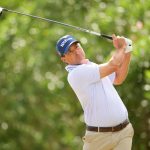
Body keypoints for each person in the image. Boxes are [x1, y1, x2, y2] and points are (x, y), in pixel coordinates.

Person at [56, 34, 134, 150]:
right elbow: (113, 65)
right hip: (98, 139)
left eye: (77, 47)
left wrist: (128, 49)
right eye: (70, 52)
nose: (77, 52)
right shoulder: (75, 74)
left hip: (124, 132)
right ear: (64, 59)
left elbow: (118, 78)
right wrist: (122, 47)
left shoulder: (92, 66)